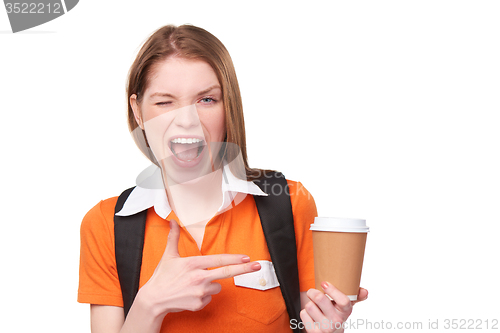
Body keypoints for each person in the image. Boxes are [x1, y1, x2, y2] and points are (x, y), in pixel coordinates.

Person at [78, 24, 368, 333]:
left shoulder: (290, 203)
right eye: (164, 102)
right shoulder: (106, 224)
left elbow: (312, 324)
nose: (187, 120)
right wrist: (150, 304)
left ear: (229, 106)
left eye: (207, 100)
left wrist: (330, 327)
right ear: (137, 111)